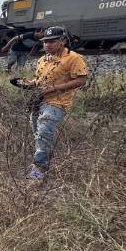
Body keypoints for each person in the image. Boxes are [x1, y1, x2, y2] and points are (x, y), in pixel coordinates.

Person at [13, 26, 87, 179]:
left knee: (44, 130)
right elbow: (39, 81)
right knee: (38, 133)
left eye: (51, 41)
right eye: (45, 42)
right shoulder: (42, 60)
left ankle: (39, 169)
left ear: (63, 41)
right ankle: (44, 158)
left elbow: (80, 80)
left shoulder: (73, 58)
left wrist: (53, 88)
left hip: (58, 102)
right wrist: (27, 83)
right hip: (39, 100)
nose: (47, 45)